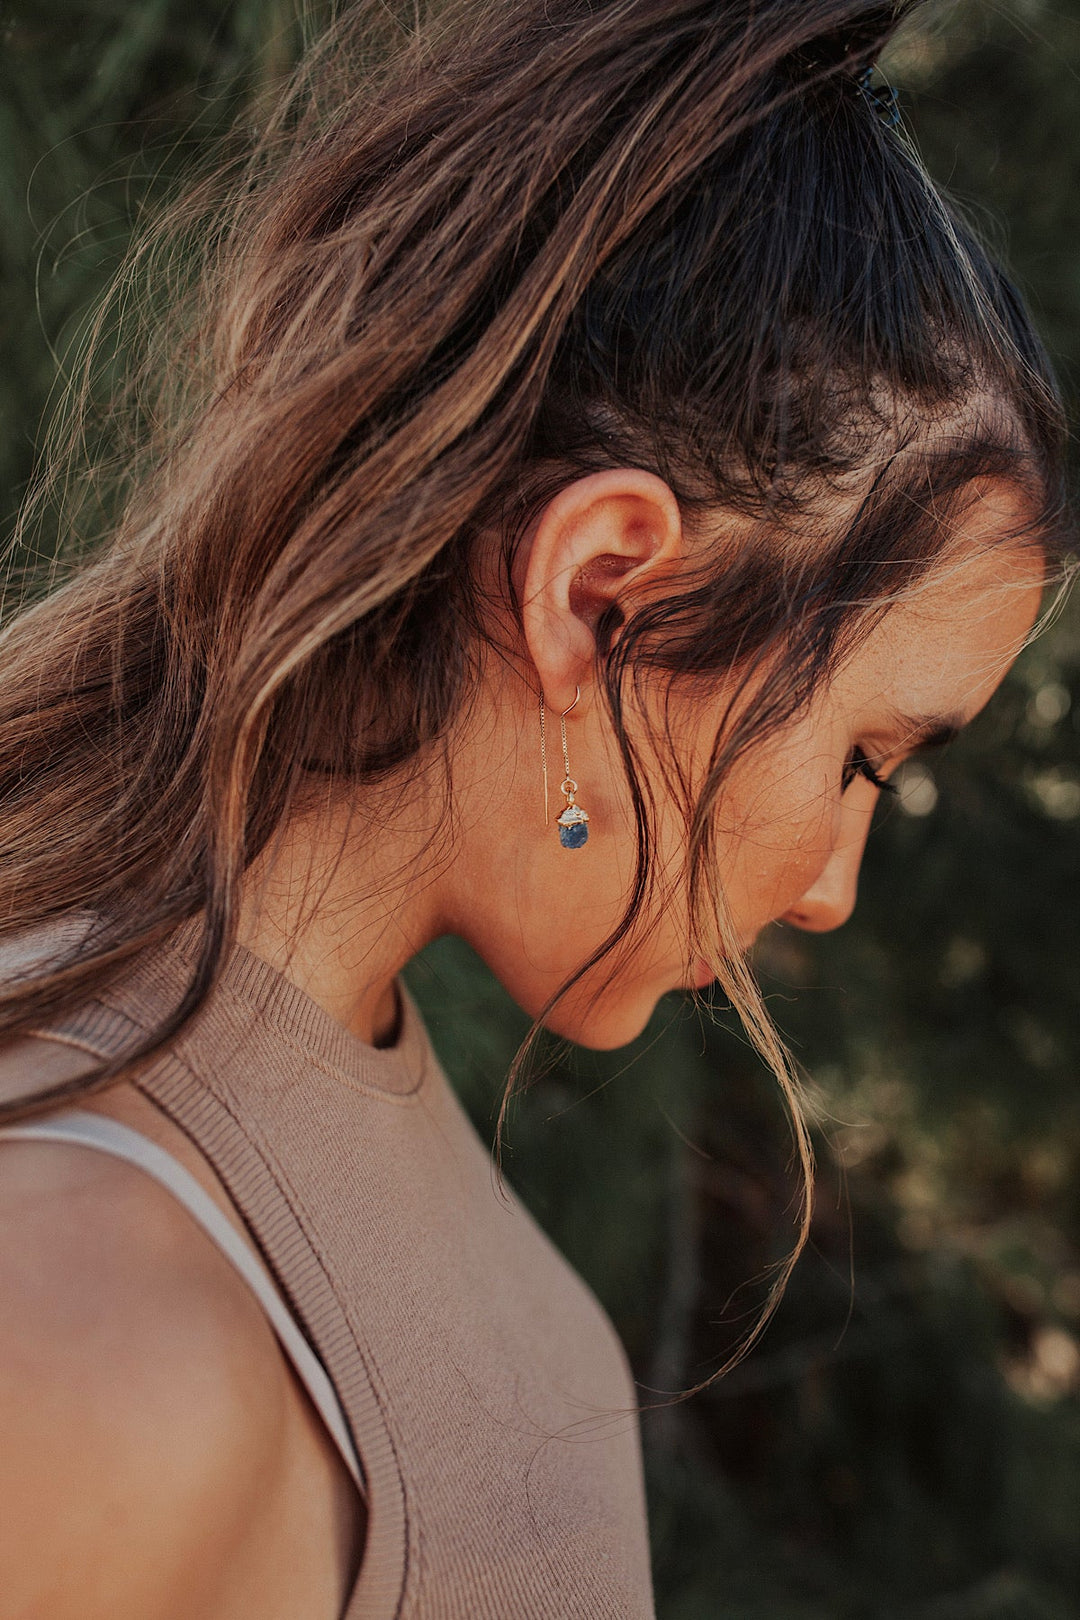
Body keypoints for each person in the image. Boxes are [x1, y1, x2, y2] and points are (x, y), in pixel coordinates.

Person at [0, 0, 1070, 1615]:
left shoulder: (297, 1135)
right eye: (864, 757)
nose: (840, 885)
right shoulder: (98, 1327)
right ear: (601, 596)